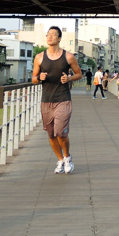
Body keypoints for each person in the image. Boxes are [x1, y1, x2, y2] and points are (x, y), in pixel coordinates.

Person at [32, 26, 82, 174]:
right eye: (48, 34)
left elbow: (79, 74)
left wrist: (69, 78)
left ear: (59, 38)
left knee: (61, 132)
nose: (50, 37)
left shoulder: (68, 57)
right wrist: (38, 78)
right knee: (51, 134)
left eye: (54, 35)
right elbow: (33, 79)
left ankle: (67, 157)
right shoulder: (39, 57)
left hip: (63, 98)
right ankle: (60, 159)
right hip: (46, 100)